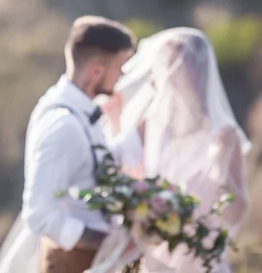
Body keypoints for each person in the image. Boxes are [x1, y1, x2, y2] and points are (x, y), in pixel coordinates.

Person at [0, 16, 144, 273]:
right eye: (120, 66)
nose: (123, 74)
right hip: (69, 263)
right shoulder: (63, 126)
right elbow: (38, 215)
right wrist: (106, 241)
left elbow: (95, 164)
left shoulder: (82, 112)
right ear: (96, 71)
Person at [104, 27, 250, 272]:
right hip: (156, 256)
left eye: (178, 66)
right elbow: (128, 175)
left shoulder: (224, 134)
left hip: (202, 256)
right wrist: (115, 123)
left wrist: (219, 166)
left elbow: (237, 212)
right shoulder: (150, 124)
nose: (167, 74)